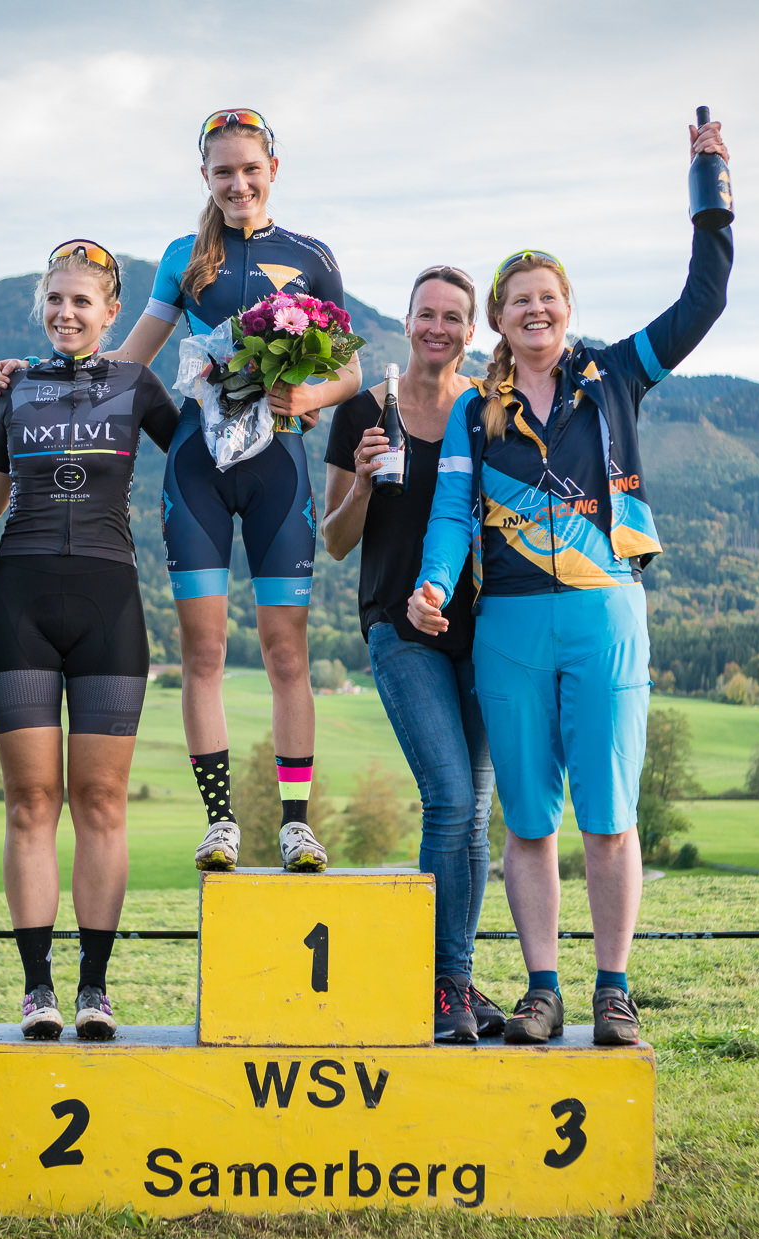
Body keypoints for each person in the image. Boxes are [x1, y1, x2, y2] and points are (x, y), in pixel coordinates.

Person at [409, 118, 733, 1047]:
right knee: (528, 825)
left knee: (610, 818)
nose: (536, 312)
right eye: (519, 302)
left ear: (566, 306)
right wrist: (434, 585)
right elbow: (451, 515)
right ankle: (542, 989)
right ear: (498, 320)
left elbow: (705, 298)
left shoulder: (617, 375)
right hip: (509, 627)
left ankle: (614, 991)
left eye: (548, 298)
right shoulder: (477, 410)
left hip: (605, 616)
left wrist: (710, 185)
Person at [0, 108, 359, 873]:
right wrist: (31, 373)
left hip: (280, 464)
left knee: (286, 651)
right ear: (204, 177)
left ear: (273, 170)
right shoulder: (184, 258)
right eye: (223, 172)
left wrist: (311, 397)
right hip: (199, 466)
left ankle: (296, 825)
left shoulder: (311, 256)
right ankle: (221, 823)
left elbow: (350, 368)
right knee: (204, 651)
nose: (238, 183)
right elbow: (124, 360)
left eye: (250, 169)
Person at [0, 241, 180, 1043]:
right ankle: (38, 991)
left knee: (100, 802)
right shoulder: (14, 387)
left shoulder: (136, 383)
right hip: (20, 607)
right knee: (31, 803)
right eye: (54, 300)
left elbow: (203, 463)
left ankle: (95, 987)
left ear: (110, 312)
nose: (65, 313)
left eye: (81, 301)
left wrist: (278, 406)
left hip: (109, 605)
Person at [323, 264, 504, 1043]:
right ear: (406, 323)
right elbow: (333, 541)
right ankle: (443, 983)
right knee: (450, 798)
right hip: (400, 630)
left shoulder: (488, 411)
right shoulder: (363, 412)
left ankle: (455, 979)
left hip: (486, 632)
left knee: (477, 817)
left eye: (452, 317)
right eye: (425, 314)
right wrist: (363, 483)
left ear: (471, 331)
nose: (437, 327)